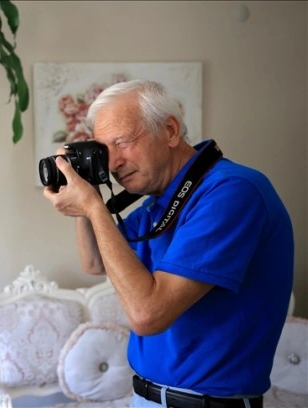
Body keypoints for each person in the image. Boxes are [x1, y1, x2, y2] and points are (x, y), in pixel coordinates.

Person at [43, 79, 294, 408]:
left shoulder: (232, 192)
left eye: (122, 142)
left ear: (171, 131)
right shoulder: (158, 203)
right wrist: (82, 190)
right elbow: (94, 262)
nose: (114, 163)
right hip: (147, 397)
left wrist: (92, 206)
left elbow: (148, 315)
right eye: (105, 150)